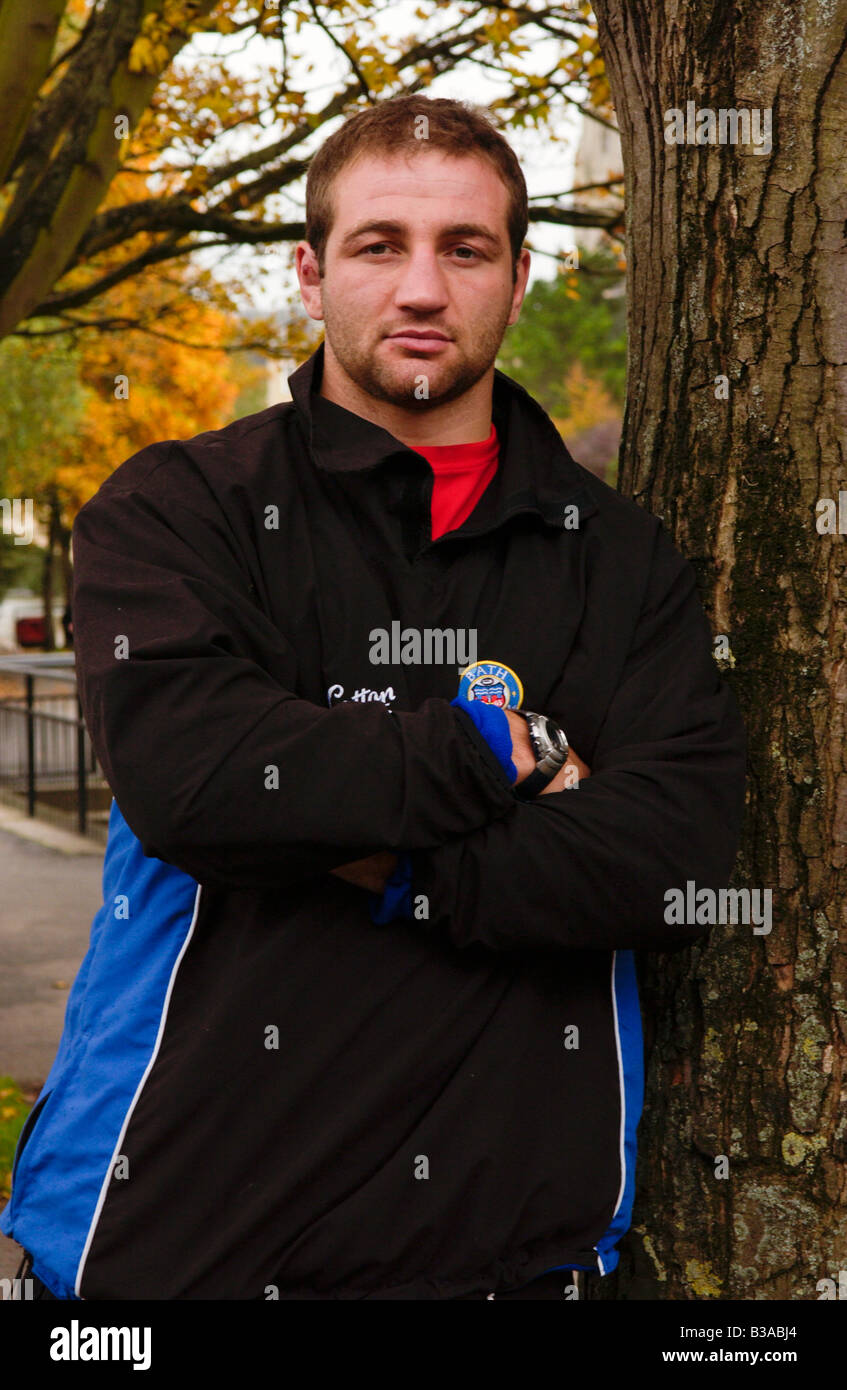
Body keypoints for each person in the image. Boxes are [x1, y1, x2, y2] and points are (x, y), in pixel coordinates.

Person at [1, 95, 746, 1300]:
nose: (420, 287)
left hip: (512, 1261)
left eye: (464, 249)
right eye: (377, 244)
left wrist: (390, 859)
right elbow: (199, 780)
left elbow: (673, 859)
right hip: (175, 1249)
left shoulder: (618, 559)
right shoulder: (179, 509)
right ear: (309, 273)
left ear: (514, 277)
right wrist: (499, 753)